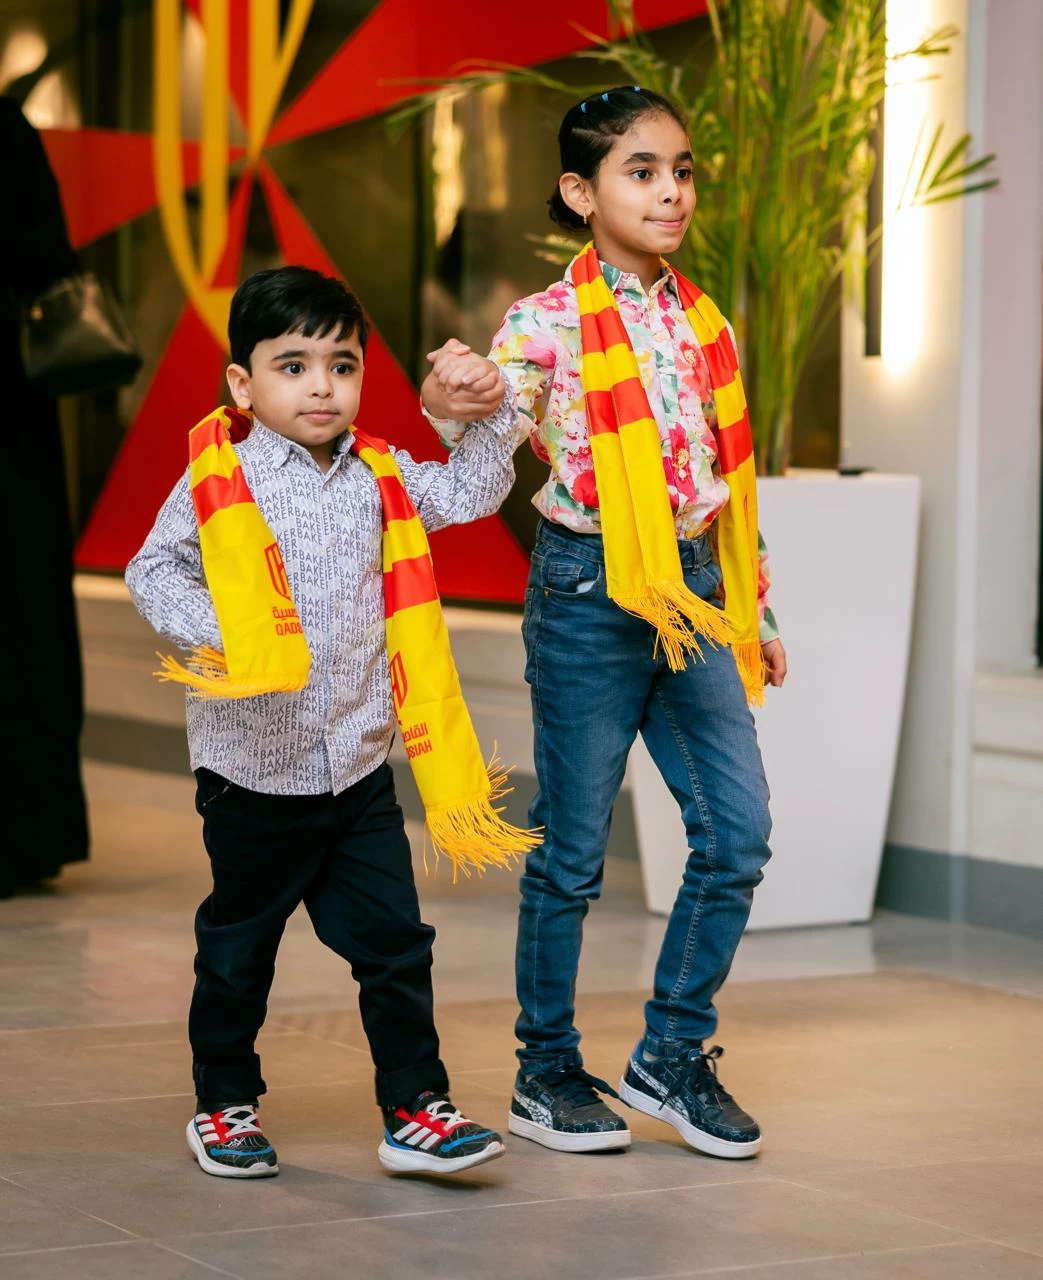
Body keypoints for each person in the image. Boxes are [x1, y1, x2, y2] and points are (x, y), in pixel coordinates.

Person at [422, 87, 787, 1160]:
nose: (670, 191)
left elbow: (723, 481)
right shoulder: (542, 322)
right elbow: (483, 430)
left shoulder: (704, 323)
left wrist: (756, 609)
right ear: (580, 192)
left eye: (680, 170)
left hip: (694, 592)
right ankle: (543, 1069)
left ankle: (670, 1052)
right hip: (587, 591)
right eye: (641, 171)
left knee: (737, 834)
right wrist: (456, 393)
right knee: (573, 852)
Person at [126, 265, 523, 1179]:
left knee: (395, 946)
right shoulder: (221, 479)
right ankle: (225, 1103)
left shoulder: (380, 477)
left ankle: (415, 1109)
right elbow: (154, 570)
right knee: (240, 952)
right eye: (293, 365)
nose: (321, 387)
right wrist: (229, 635)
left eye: (341, 367)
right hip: (252, 776)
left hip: (356, 769)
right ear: (243, 383)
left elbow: (469, 491)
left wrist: (483, 410)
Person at [0, 97, 89, 897]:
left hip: (7, 423)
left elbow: (53, 256)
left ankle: (23, 833)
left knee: (16, 614)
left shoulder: (4, 127)